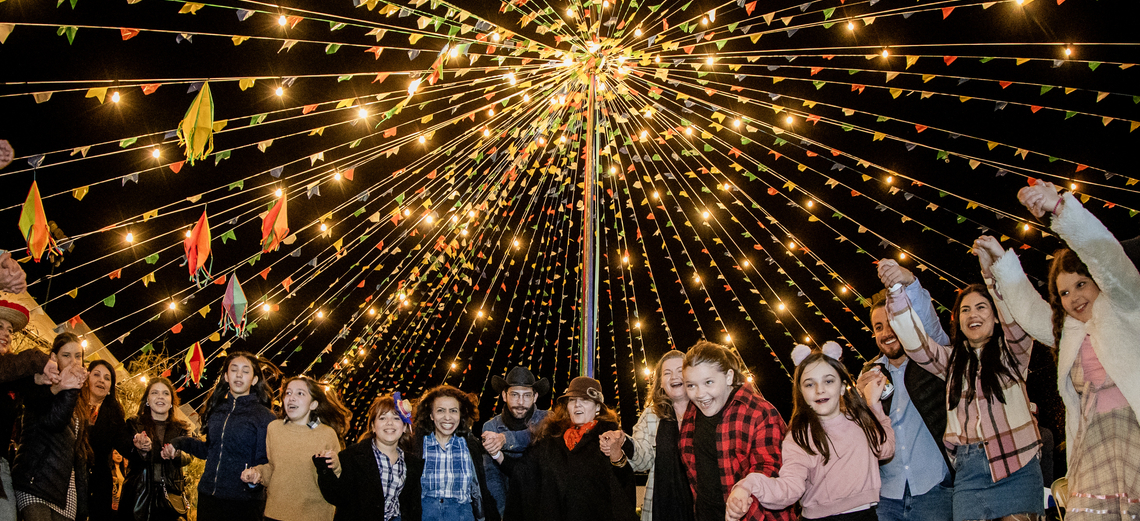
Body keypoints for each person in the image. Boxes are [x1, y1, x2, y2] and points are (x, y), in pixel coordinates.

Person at [987, 181, 1140, 518]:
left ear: (1098, 281)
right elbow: (1029, 311)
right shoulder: (1069, 331)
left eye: (1081, 284)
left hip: (1134, 434)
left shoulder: (1128, 308)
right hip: (1092, 446)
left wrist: (1060, 209)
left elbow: (1108, 258)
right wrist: (1002, 264)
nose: (1075, 298)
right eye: (1065, 293)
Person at [885, 251, 1044, 521]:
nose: (973, 314)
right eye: (965, 310)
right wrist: (897, 289)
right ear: (958, 320)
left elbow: (1016, 321)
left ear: (995, 317)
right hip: (969, 474)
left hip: (1017, 463)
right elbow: (915, 343)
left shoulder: (1013, 353)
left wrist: (992, 277)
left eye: (982, 307)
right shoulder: (952, 361)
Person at [726, 342, 894, 520]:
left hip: (865, 515)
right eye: (809, 384)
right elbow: (789, 488)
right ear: (801, 391)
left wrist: (875, 406)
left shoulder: (860, 421)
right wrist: (749, 485)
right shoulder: (799, 436)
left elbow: (886, 449)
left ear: (843, 386)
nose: (819, 389)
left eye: (828, 381)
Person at [857, 261, 954, 521]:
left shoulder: (931, 360)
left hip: (934, 488)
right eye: (878, 327)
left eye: (891, 323)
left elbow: (930, 325)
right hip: (887, 495)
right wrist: (859, 401)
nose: (886, 333)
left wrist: (909, 282)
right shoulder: (869, 374)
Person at [492, 376, 637, 521]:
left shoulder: (609, 439)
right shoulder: (552, 440)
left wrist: (617, 456)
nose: (577, 405)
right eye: (572, 400)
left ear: (598, 407)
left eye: (584, 400)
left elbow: (623, 489)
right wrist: (496, 454)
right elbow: (524, 473)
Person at [678, 341, 793, 521]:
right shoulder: (692, 413)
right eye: (691, 386)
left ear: (729, 377)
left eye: (708, 382)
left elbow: (771, 470)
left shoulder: (759, 412)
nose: (700, 394)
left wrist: (741, 495)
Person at [170, 352, 276, 521]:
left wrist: (254, 480)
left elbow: (267, 462)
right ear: (226, 376)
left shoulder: (265, 417)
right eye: (234, 369)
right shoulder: (216, 410)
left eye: (245, 371)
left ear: (254, 380)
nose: (239, 374)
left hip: (243, 503)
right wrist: (179, 442)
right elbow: (209, 450)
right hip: (208, 497)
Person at [242, 376, 349, 521]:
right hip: (274, 514)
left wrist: (336, 465)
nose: (292, 398)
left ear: (313, 404)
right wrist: (257, 473)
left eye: (300, 393)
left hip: (314, 516)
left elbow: (339, 481)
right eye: (288, 393)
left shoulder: (327, 434)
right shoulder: (274, 429)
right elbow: (274, 468)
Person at [602, 350, 692, 521]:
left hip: (700, 506)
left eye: (680, 371)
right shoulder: (652, 414)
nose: (674, 377)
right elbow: (642, 460)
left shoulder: (706, 411)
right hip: (661, 507)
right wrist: (624, 442)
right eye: (667, 373)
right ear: (660, 382)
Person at [12, 332, 91, 521]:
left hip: (64, 489)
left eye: (78, 356)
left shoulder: (80, 399)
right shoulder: (39, 383)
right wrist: (66, 388)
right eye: (66, 355)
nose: (73, 361)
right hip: (34, 480)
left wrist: (83, 502)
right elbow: (54, 422)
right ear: (54, 357)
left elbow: (77, 452)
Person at [316, 393, 422, 521]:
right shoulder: (352, 456)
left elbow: (412, 508)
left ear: (404, 427)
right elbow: (337, 496)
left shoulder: (412, 464)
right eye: (382, 418)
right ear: (372, 426)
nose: (389, 423)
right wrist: (326, 469)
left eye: (396, 418)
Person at [0, 300, 60, 521]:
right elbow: (11, 367)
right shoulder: (10, 366)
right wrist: (38, 360)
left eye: (9, 330)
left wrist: (54, 383)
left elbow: (38, 400)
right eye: (0, 327)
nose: (6, 334)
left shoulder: (13, 375)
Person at [411, 385, 498, 521]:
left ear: (460, 415)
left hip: (462, 515)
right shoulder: (417, 446)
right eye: (440, 411)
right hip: (426, 515)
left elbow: (481, 490)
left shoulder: (470, 446)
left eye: (453, 411)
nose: (447, 417)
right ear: (431, 415)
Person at [119, 376, 193, 521]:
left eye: (166, 393)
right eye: (155, 393)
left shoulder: (182, 428)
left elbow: (189, 455)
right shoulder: (134, 423)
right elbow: (127, 449)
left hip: (171, 499)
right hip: (137, 495)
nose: (160, 397)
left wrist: (176, 453)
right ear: (147, 399)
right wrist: (140, 448)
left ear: (172, 401)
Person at [480, 366, 551, 517]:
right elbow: (492, 475)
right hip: (509, 505)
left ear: (535, 396)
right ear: (504, 395)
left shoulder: (548, 419)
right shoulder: (491, 426)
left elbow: (534, 435)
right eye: (514, 395)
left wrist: (505, 439)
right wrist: (503, 513)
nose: (520, 402)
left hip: (543, 506)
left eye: (526, 395)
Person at [85, 360, 126, 521]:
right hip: (67, 478)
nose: (101, 380)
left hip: (98, 484)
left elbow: (125, 443)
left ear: (110, 388)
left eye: (107, 378)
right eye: (96, 375)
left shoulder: (114, 415)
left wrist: (139, 441)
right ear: (87, 378)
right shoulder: (71, 402)